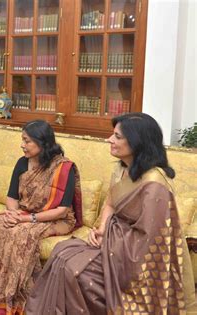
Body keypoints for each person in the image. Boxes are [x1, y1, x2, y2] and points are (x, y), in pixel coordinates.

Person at [26, 113, 196, 314]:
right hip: (116, 240)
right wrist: (101, 229)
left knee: (73, 269)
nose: (109, 139)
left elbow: (149, 242)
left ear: (136, 142)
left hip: (136, 258)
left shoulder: (155, 184)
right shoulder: (122, 169)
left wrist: (110, 240)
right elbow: (111, 202)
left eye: (117, 136)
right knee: (61, 252)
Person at [0, 120, 82, 314]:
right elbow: (12, 197)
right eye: (22, 140)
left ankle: (17, 298)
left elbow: (62, 210)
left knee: (22, 235)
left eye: (27, 141)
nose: (22, 145)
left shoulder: (63, 168)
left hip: (56, 219)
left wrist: (25, 219)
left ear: (42, 142)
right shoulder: (22, 162)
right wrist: (12, 213)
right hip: (24, 214)